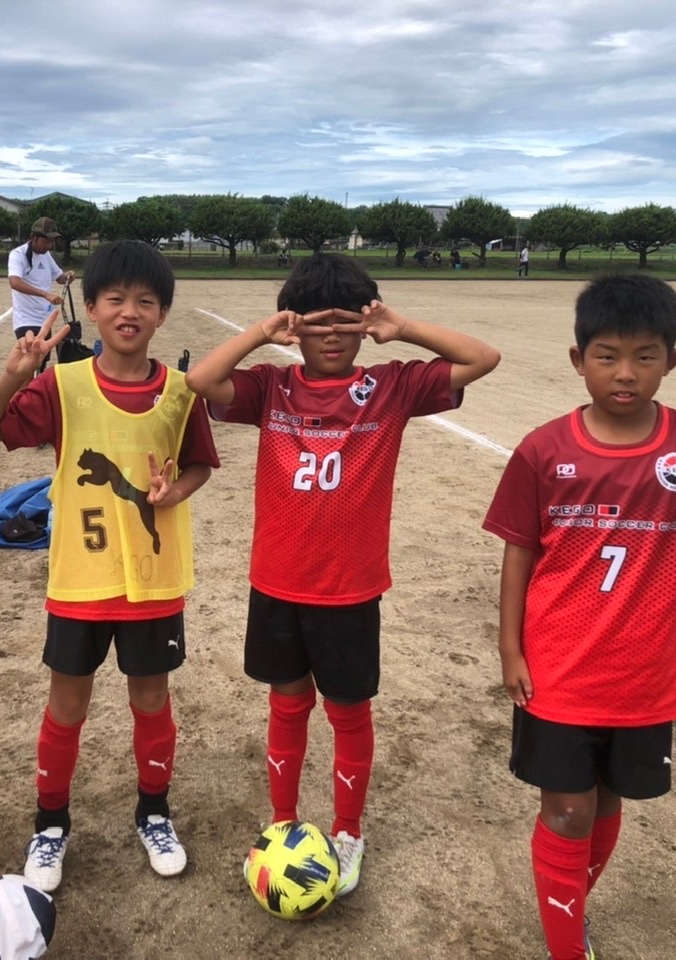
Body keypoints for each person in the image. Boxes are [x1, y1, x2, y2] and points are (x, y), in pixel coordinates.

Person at [185, 253, 500, 897]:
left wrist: (401, 327)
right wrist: (265, 332)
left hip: (350, 588)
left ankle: (348, 830)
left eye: (345, 322)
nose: (332, 336)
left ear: (365, 322)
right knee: (287, 703)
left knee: (348, 710)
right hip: (277, 582)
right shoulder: (271, 388)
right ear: (295, 326)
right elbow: (201, 379)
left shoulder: (392, 387)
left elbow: (483, 358)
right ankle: (283, 824)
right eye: (316, 323)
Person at [481, 273, 676, 960]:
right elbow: (520, 552)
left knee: (608, 803)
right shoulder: (543, 450)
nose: (625, 373)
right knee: (568, 809)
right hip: (559, 666)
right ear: (578, 359)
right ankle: (566, 947)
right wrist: (509, 648)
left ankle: (569, 911)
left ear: (672, 360)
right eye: (607, 355)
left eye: (645, 356)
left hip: (645, 672)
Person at [0, 239, 219, 893]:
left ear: (163, 313)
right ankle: (50, 824)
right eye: (116, 299)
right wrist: (15, 375)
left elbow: (199, 464)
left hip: (153, 582)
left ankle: (154, 813)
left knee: (152, 700)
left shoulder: (180, 392)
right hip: (80, 580)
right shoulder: (63, 384)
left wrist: (174, 493)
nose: (129, 311)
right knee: (66, 705)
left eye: (145, 301)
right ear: (95, 308)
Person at [8, 217, 76, 371]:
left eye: (52, 241)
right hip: (26, 319)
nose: (49, 245)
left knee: (41, 362)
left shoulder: (46, 255)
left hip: (44, 320)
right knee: (28, 364)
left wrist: (68, 276)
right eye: (46, 241)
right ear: (33, 237)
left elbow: (59, 277)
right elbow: (15, 282)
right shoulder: (18, 255)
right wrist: (45, 295)